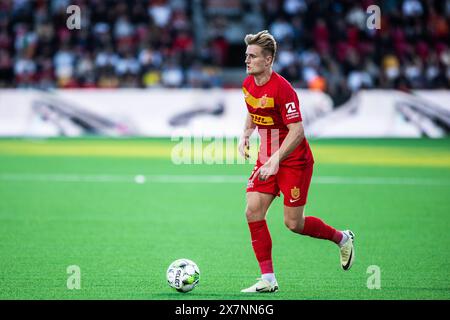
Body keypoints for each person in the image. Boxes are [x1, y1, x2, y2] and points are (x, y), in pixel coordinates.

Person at [238, 30, 355, 293]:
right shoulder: (247, 85)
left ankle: (342, 238)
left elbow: (298, 130)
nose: (247, 60)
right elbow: (252, 110)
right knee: (252, 211)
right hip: (267, 157)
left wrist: (277, 160)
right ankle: (268, 279)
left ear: (268, 60)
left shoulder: (283, 89)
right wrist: (245, 134)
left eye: (253, 56)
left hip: (294, 160)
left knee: (293, 224)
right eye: (246, 55)